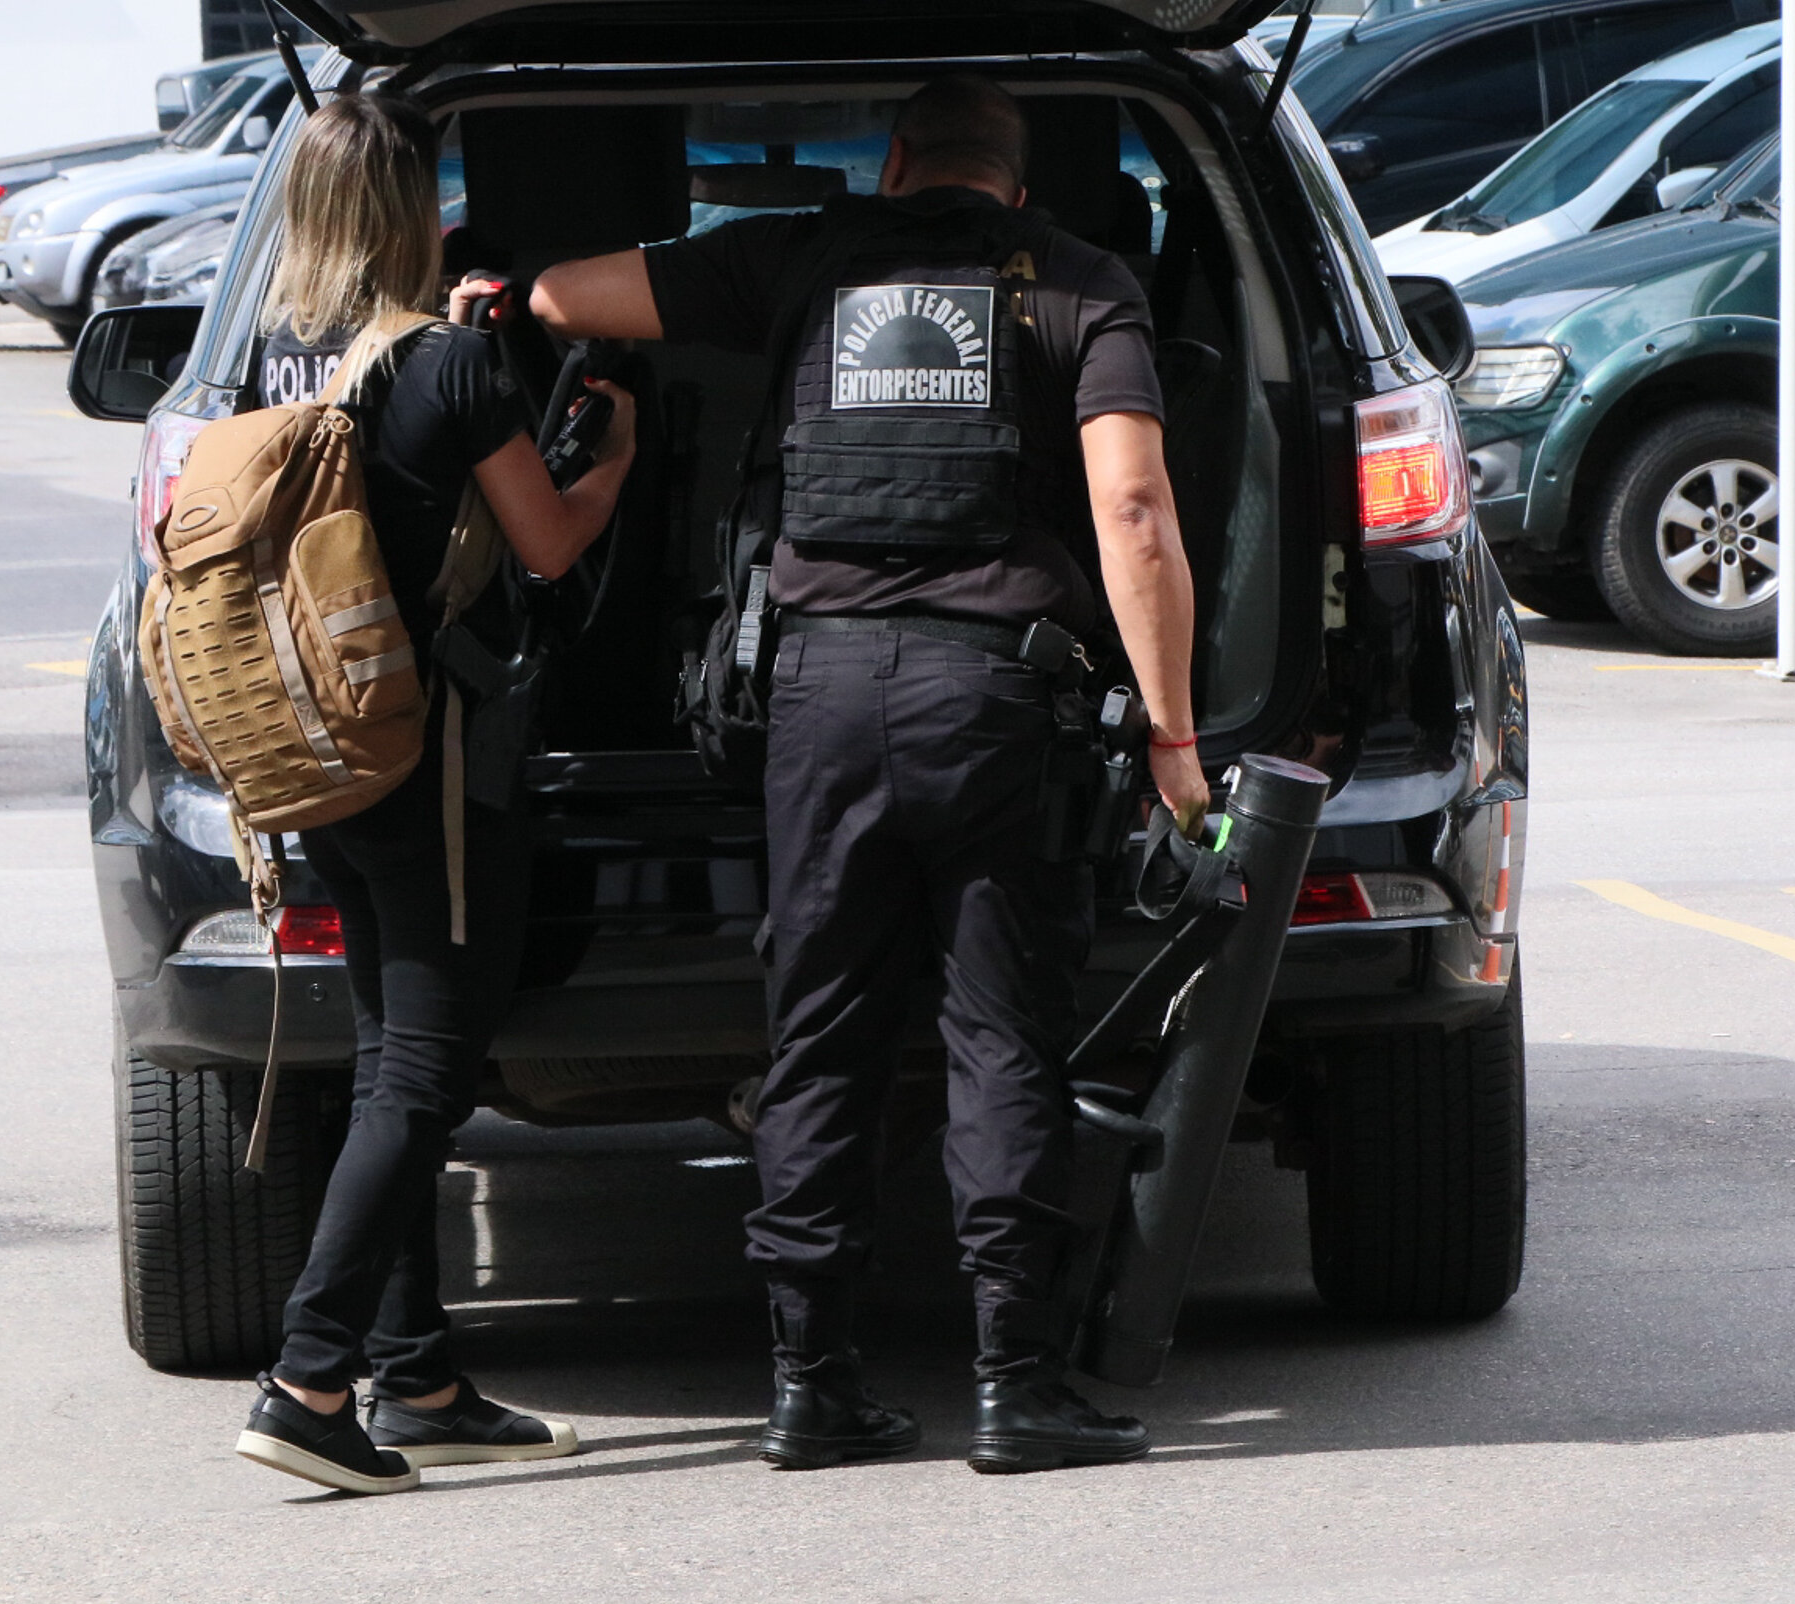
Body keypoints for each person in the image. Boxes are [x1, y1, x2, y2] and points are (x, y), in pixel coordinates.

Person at [527, 76, 1212, 1475]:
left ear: (896, 163)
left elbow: (560, 297)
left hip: (819, 695)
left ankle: (807, 1384)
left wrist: (511, 298)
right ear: (1017, 188)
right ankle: (1018, 1386)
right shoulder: (1082, 285)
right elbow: (1133, 509)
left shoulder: (794, 253)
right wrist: (1173, 732)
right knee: (999, 1033)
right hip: (995, 698)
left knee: (822, 1031)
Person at [234, 93, 634, 1495]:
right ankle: (309, 1376)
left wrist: (458, 335)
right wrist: (614, 461)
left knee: (382, 1053)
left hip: (319, 755)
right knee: (429, 1069)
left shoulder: (277, 358)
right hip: (433, 763)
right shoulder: (455, 368)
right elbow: (542, 544)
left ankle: (419, 1380)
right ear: (413, 207)